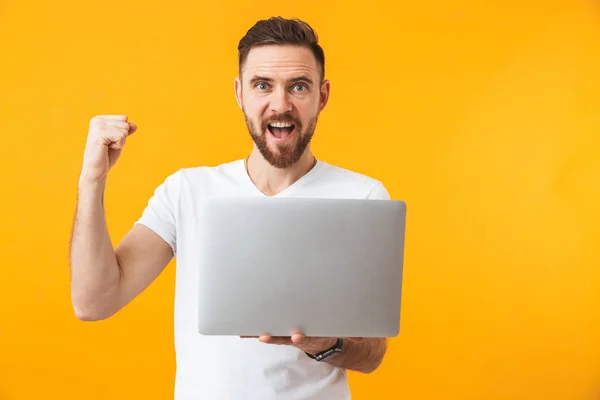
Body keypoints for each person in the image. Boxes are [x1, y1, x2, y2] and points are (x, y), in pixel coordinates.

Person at [70, 16, 391, 400]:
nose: (280, 104)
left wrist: (322, 342)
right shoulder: (187, 191)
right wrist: (92, 180)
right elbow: (93, 302)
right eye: (262, 85)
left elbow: (372, 354)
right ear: (240, 93)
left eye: (299, 87)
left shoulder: (363, 197)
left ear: (322, 96)